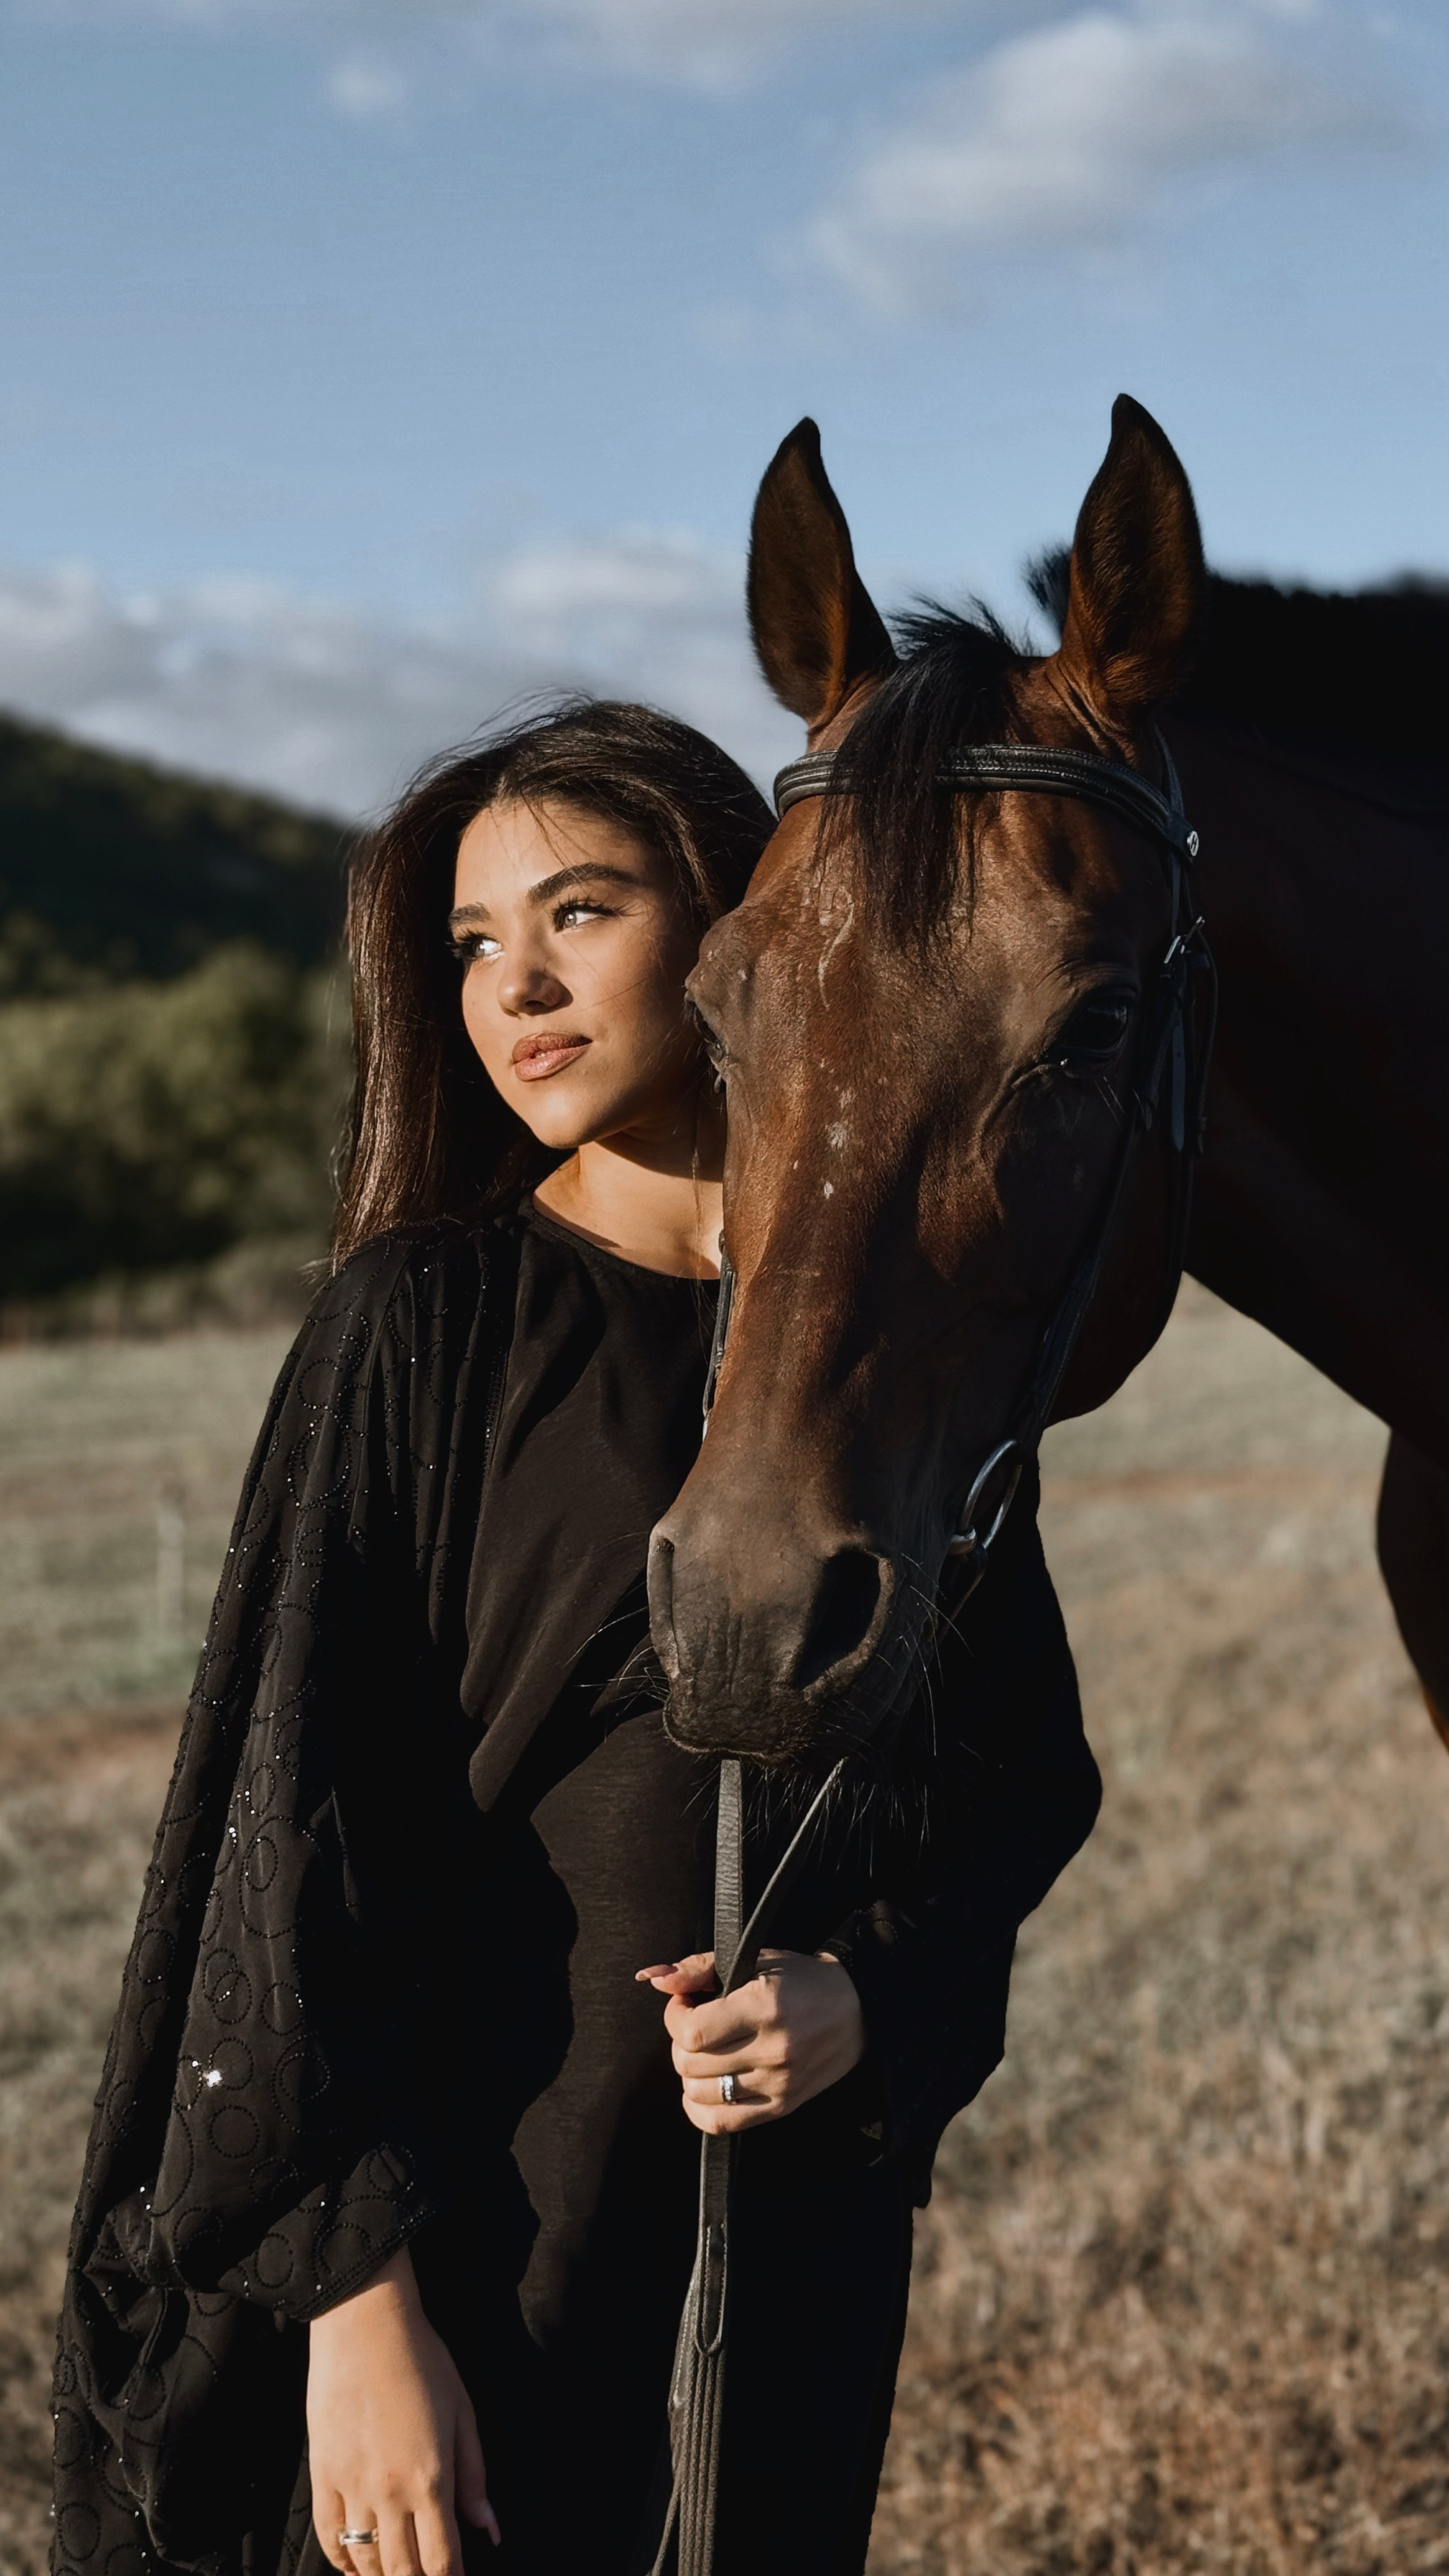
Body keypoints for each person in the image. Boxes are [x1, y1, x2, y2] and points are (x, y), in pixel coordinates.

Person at [51, 699, 1101, 2576]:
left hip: (788, 2260)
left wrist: (871, 1993)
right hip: (475, 2249)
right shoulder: (430, 1320)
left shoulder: (873, 1343)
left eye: (580, 913)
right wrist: (354, 2315)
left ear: (731, 925)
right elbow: (296, 1831)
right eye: (471, 942)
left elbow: (1015, 1770)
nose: (512, 985)